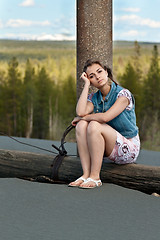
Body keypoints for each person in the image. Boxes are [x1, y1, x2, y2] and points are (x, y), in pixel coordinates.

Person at [68, 59, 140, 189]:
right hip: (108, 147)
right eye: (92, 76)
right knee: (81, 125)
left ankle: (95, 177)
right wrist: (86, 85)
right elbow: (80, 111)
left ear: (106, 72)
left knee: (93, 124)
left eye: (99, 71)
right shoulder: (94, 98)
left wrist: (84, 118)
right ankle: (85, 174)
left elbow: (106, 117)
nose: (97, 77)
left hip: (128, 149)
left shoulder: (123, 94)